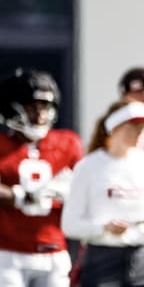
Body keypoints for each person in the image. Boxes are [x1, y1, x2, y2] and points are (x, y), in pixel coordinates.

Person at [61, 100, 144, 287]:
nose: (141, 132)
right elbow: (69, 225)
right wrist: (104, 228)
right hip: (102, 259)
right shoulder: (88, 167)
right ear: (115, 128)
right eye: (134, 126)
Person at [0, 68, 84, 287]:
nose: (40, 115)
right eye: (31, 107)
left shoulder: (68, 143)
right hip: (7, 252)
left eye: (45, 107)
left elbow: (87, 189)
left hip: (53, 252)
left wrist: (71, 191)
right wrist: (19, 197)